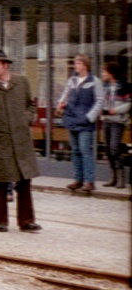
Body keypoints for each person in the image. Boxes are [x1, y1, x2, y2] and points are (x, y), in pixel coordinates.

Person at [0, 49, 41, 232]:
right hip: (0, 139)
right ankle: (0, 221)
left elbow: (31, 104)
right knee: (1, 180)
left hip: (21, 138)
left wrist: (27, 118)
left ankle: (26, 221)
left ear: (6, 66)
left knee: (24, 179)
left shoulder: (22, 82)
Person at [55, 53, 101, 194]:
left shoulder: (94, 81)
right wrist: (60, 105)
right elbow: (65, 95)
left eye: (78, 63)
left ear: (85, 65)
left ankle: (89, 181)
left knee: (85, 150)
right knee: (75, 150)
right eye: (75, 63)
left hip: (85, 121)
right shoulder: (72, 80)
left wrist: (90, 117)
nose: (75, 66)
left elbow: (100, 101)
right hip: (72, 119)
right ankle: (78, 179)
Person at [99, 62, 130, 188]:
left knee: (114, 148)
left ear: (111, 73)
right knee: (107, 149)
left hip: (118, 121)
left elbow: (128, 104)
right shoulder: (105, 87)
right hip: (106, 121)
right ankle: (113, 177)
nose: (102, 74)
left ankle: (121, 177)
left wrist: (114, 111)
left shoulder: (125, 87)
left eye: (104, 72)